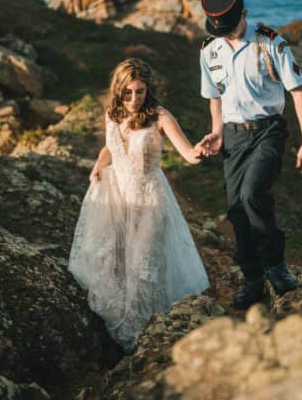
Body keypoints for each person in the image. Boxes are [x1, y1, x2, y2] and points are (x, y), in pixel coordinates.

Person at [68, 58, 209, 352]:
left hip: (149, 199)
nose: (134, 99)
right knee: (119, 263)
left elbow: (187, 153)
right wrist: (97, 166)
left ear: (148, 90)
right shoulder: (112, 114)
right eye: (128, 92)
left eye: (140, 92)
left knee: (145, 266)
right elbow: (110, 146)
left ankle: (143, 336)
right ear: (118, 90)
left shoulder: (160, 117)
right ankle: (119, 337)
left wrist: (200, 151)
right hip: (117, 197)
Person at [197, 0, 302, 309]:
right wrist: (216, 133)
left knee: (252, 194)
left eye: (230, 26)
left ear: (244, 13)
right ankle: (253, 279)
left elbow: (298, 90)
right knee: (236, 210)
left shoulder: (270, 42)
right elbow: (215, 98)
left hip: (268, 130)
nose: (224, 32)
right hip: (233, 136)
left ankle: (276, 265)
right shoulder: (209, 49)